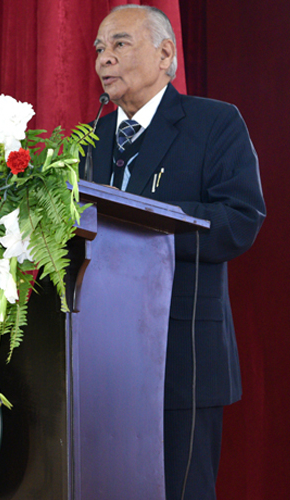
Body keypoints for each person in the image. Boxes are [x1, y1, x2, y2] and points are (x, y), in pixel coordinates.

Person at [82, 4, 266, 499]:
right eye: (99, 48)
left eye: (120, 44)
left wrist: (147, 221)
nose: (104, 59)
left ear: (165, 54)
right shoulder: (92, 139)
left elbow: (241, 219)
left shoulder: (214, 123)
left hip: (183, 357)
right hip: (101, 360)